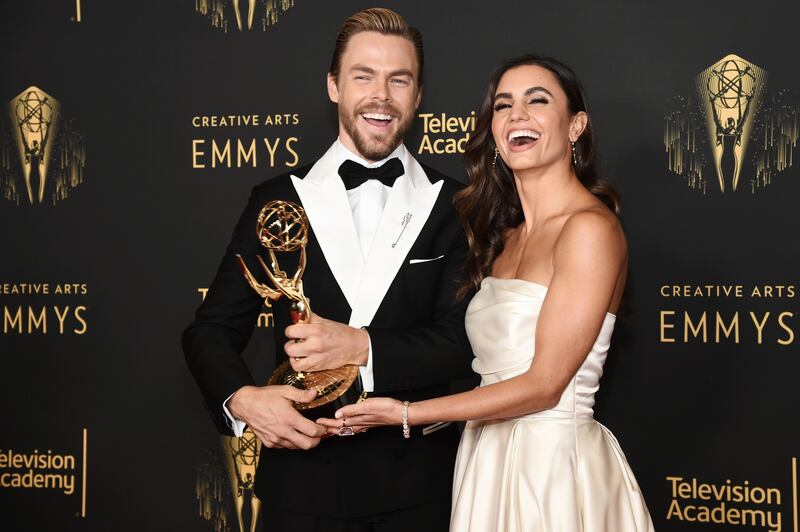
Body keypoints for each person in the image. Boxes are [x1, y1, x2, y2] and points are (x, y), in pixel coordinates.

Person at [322, 55, 656, 531]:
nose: (517, 115)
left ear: (575, 124)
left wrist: (407, 413)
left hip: (551, 469)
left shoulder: (590, 230)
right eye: (503, 105)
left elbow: (544, 385)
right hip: (485, 459)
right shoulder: (505, 238)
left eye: (537, 100)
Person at [182, 8, 474, 532]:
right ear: (334, 86)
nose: (381, 96)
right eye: (363, 76)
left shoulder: (457, 205)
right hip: (302, 488)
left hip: (420, 488)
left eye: (398, 79)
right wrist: (243, 400)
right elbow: (210, 331)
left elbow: (462, 344)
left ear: (418, 94)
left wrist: (362, 347)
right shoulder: (276, 203)